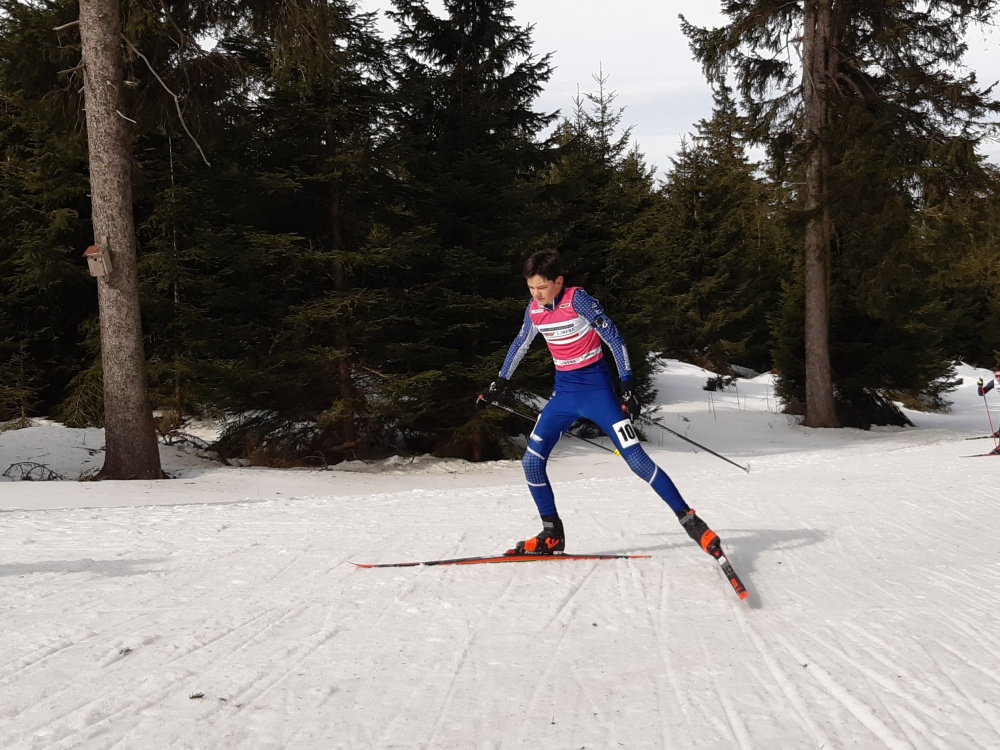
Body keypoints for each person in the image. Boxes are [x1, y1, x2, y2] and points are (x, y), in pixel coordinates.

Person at [477, 249, 721, 557]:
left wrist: (627, 385)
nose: (536, 294)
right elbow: (520, 343)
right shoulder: (534, 310)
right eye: (530, 288)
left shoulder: (578, 301)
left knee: (637, 460)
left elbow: (614, 339)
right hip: (564, 397)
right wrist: (500, 381)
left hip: (598, 394)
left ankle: (692, 522)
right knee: (531, 463)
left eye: (541, 287)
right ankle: (552, 534)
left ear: (559, 281)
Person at [976, 371, 1000, 448]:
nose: (998, 378)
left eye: (999, 376)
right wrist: (980, 386)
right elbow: (982, 393)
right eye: (996, 376)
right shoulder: (993, 383)